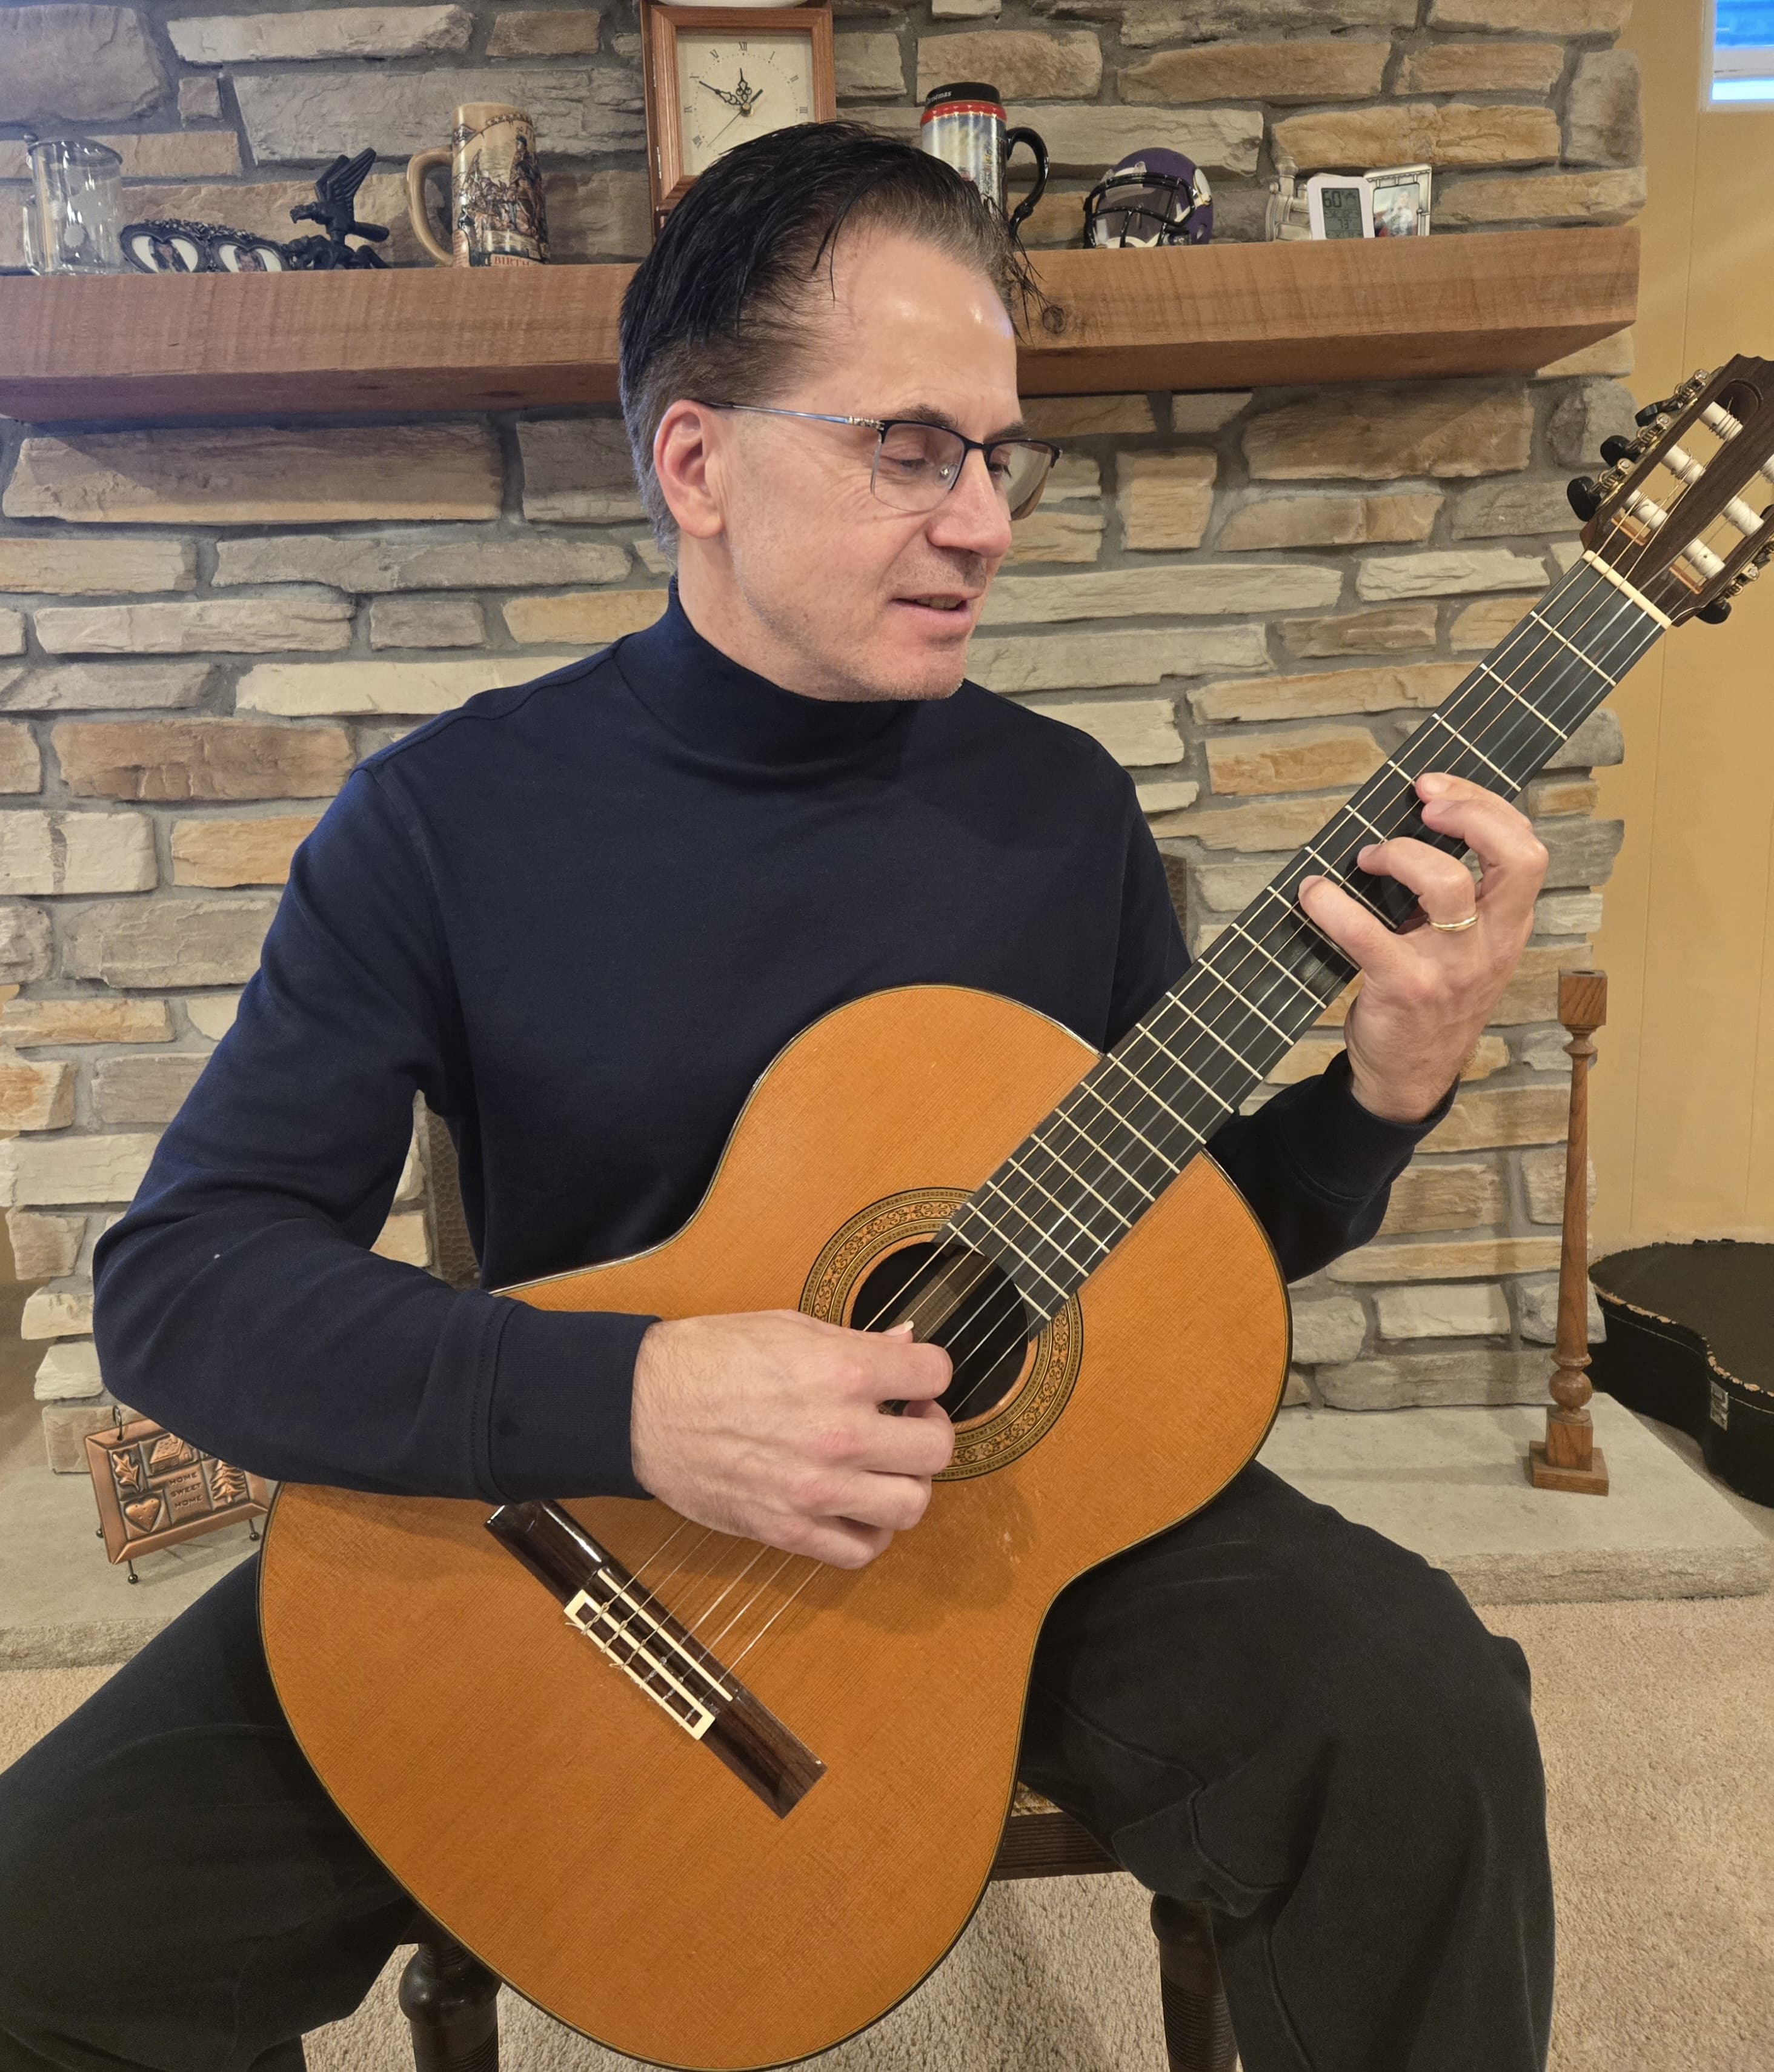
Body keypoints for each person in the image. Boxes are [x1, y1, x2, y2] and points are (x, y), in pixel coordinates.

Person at [0, 124, 1553, 2071]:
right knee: (34, 1941)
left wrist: (1382, 1098)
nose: (984, 522)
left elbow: (1176, 1250)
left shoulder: (1061, 812)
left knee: (1425, 1721)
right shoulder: (442, 824)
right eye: (911, 448)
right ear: (698, 464)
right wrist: (642, 1398)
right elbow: (185, 1286)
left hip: (1003, 1530)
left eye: (999, 455)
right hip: (550, 1537)